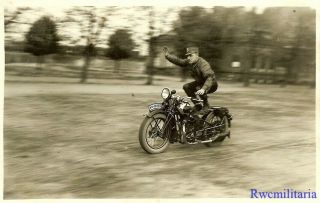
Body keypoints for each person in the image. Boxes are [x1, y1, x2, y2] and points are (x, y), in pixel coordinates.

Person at [163, 46, 218, 112]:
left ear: (197, 55)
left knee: (198, 88)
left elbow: (209, 77)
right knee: (186, 87)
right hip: (201, 82)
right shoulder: (190, 62)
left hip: (211, 84)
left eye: (190, 55)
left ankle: (206, 104)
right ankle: (198, 105)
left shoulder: (203, 64)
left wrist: (203, 89)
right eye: (187, 56)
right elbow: (179, 61)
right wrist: (167, 56)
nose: (188, 58)